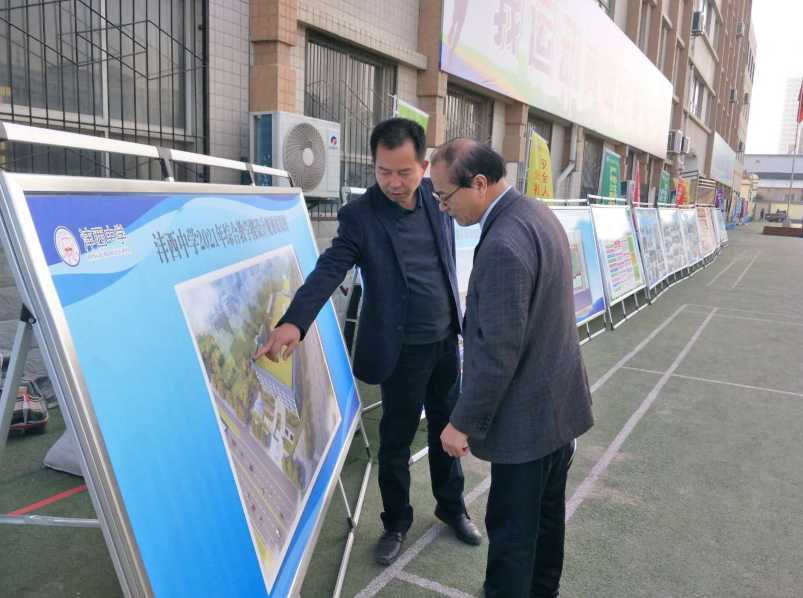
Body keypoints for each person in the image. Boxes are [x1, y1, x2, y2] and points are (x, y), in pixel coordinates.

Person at [254, 119, 481, 566]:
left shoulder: (440, 200)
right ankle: (395, 521)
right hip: (400, 352)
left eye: (404, 172)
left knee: (448, 430)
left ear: (424, 166)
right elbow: (329, 268)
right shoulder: (360, 215)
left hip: (444, 342)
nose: (393, 183)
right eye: (383, 172)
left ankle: (452, 507)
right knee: (395, 440)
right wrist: (295, 322)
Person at [432, 139, 594, 598]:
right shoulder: (536, 213)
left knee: (513, 533)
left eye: (445, 196)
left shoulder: (503, 243)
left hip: (527, 422)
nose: (442, 207)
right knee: (546, 521)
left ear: (479, 184)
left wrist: (461, 423)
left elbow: (498, 352)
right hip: (557, 409)